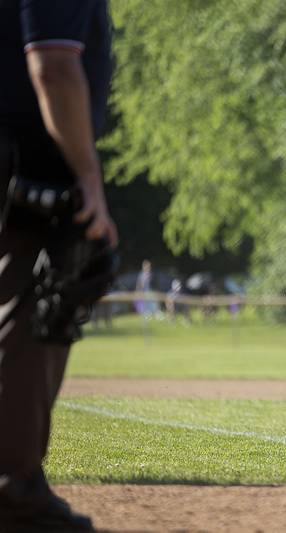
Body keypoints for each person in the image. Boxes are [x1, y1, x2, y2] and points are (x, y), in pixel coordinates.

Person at [0, 0, 118, 530]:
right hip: (28, 176)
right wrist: (88, 176)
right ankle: (12, 490)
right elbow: (53, 65)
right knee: (37, 313)